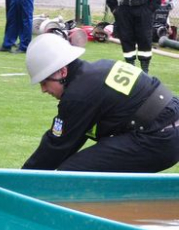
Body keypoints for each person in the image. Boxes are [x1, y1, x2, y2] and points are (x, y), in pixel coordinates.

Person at [22, 33, 179, 172]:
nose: (43, 89)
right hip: (168, 127)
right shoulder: (98, 70)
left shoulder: (78, 95)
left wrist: (20, 180)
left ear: (62, 72)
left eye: (44, 82)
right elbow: (72, 140)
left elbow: (57, 146)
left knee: (72, 174)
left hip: (158, 138)